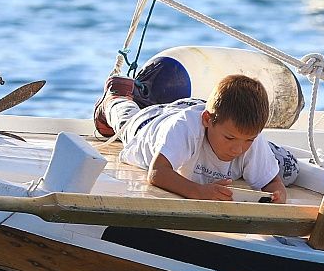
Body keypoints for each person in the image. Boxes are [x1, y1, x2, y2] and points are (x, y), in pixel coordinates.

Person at [103, 71, 287, 203]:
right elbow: (158, 172)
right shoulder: (185, 128)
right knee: (126, 120)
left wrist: (277, 196)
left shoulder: (249, 137)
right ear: (207, 120)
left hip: (195, 107)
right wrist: (200, 192)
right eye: (229, 138)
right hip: (150, 124)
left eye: (249, 140)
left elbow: (272, 182)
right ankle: (115, 98)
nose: (238, 149)